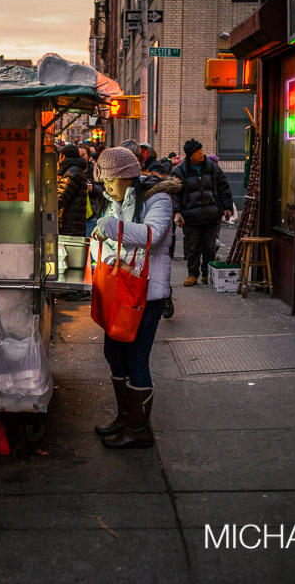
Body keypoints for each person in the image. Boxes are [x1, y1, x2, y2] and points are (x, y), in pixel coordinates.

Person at [89, 147, 174, 449]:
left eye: (111, 180)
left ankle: (140, 430)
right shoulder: (114, 203)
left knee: (137, 358)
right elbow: (103, 245)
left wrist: (111, 228)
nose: (106, 186)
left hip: (148, 294)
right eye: (104, 181)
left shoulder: (158, 199)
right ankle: (125, 417)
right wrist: (112, 260)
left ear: (127, 176)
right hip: (121, 290)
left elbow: (153, 234)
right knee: (114, 353)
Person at [170, 139, 234, 286]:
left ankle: (207, 274)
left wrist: (226, 207)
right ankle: (192, 274)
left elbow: (223, 187)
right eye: (197, 151)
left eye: (201, 150)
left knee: (210, 246)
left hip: (211, 214)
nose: (201, 153)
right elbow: (175, 194)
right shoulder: (179, 171)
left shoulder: (212, 167)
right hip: (191, 215)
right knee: (193, 246)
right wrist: (177, 212)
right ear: (190, 155)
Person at [57, 144, 88, 236]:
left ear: (63, 156)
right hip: (73, 222)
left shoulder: (72, 172)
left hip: (70, 223)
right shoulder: (73, 170)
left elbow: (60, 198)